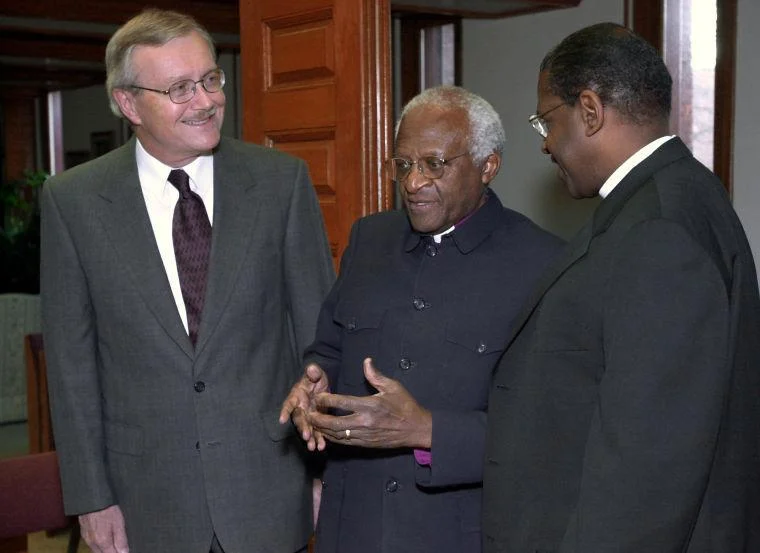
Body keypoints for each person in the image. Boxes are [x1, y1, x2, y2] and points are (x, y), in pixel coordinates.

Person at [41, 8, 334, 553]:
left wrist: (325, 473)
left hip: (267, 489)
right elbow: (71, 365)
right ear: (129, 103)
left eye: (210, 79)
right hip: (146, 499)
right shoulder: (74, 202)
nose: (205, 101)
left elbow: (318, 341)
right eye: (180, 88)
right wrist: (91, 497)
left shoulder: (279, 184)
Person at [482, 22, 760, 552]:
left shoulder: (659, 228)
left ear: (590, 110)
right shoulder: (669, 199)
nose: (545, 146)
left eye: (547, 122)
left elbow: (647, 464)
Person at [280, 85, 563, 553]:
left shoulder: (542, 264)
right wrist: (316, 380)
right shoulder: (369, 239)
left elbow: (547, 433)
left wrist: (426, 430)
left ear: (487, 166)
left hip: (459, 532)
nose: (413, 183)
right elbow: (329, 346)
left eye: (435, 164)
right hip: (353, 526)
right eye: (403, 165)